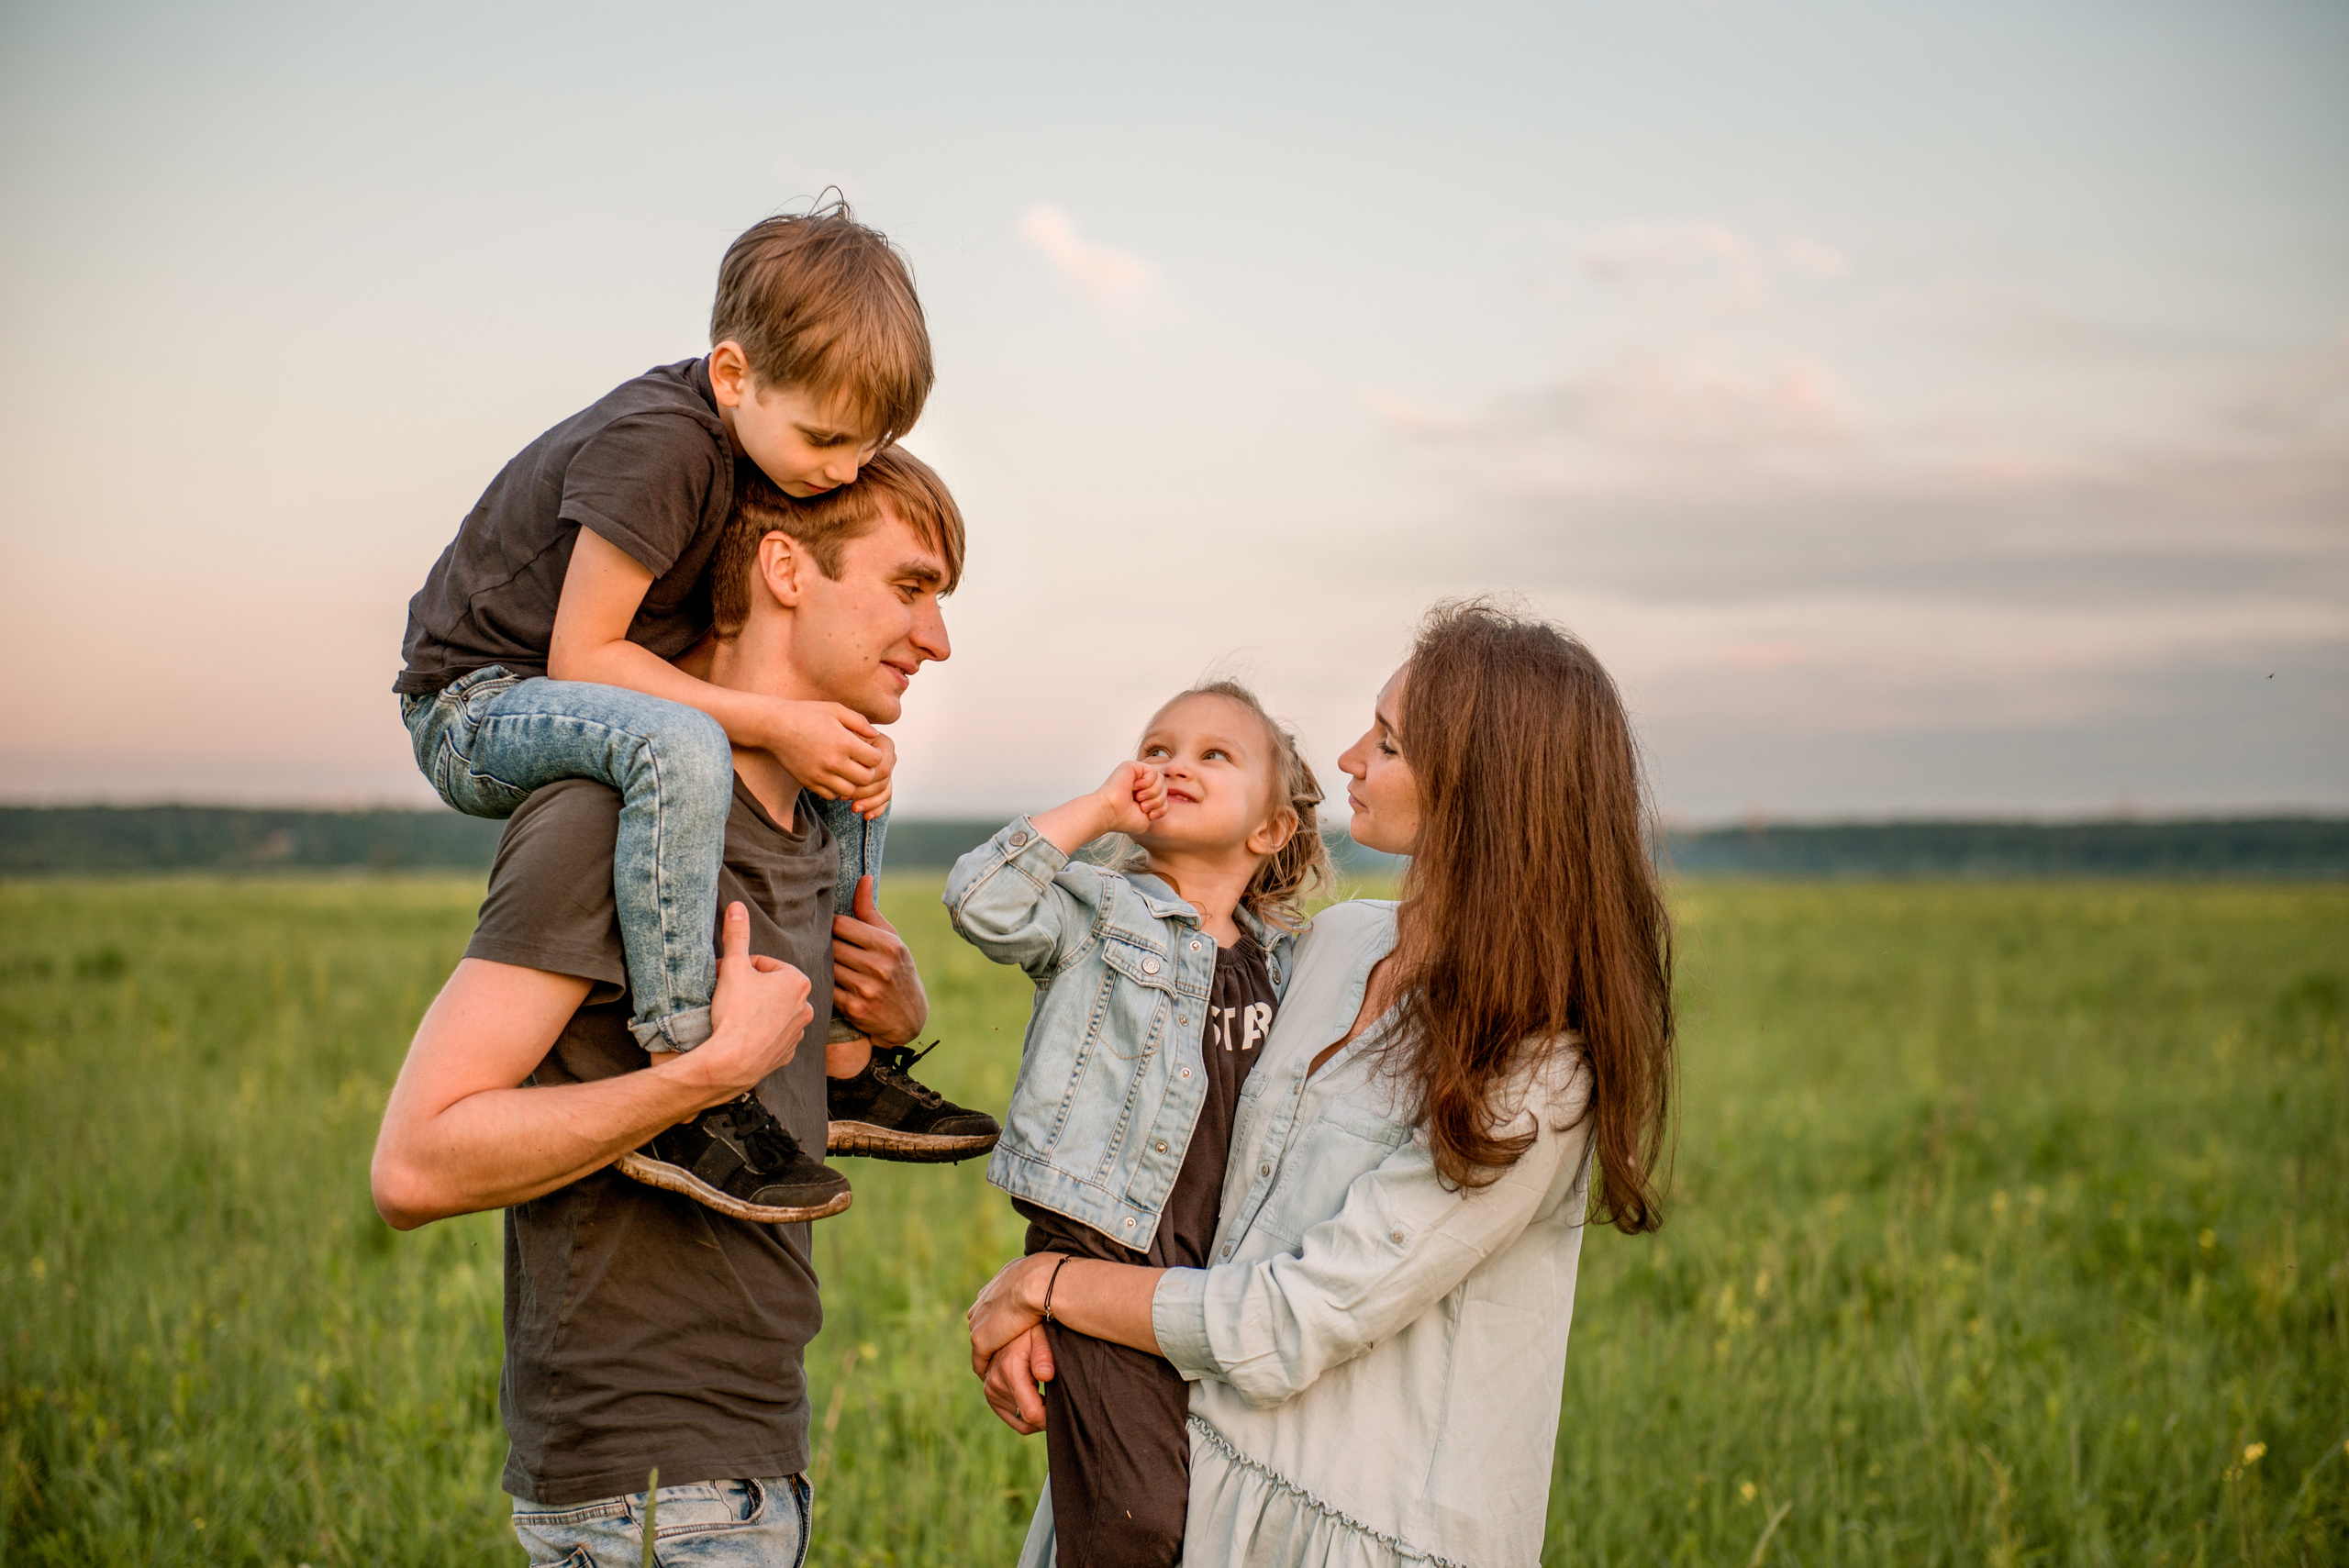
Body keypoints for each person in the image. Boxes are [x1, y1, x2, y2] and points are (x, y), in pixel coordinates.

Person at [966, 601, 1678, 1568]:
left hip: (1351, 1531)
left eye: (1385, 741)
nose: (1345, 759)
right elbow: (1161, 1072)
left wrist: (1049, 1284)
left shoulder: (1538, 1069)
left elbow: (1286, 1320)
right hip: (1180, 1468)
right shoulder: (1333, 945)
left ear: (1480, 787)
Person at [370, 450, 986, 1564]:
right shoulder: (601, 819)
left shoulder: (811, 829)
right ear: (786, 568)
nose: (938, 638)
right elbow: (415, 1164)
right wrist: (697, 1075)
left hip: (758, 1464)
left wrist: (872, 1029)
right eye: (911, 586)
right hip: (643, 1499)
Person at [393, 199, 974, 1207]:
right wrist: (772, 717)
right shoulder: (662, 447)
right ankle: (693, 1066)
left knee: (849, 750)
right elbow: (582, 654)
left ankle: (846, 1066)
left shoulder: (755, 442)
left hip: (560, 686)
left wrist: (807, 728)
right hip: (477, 702)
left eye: (870, 441)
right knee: (688, 745)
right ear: (733, 374)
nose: (844, 469)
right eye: (828, 438)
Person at [943, 683, 1331, 1567]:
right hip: (1105, 1251)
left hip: (1223, 1269)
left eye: (1213, 754)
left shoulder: (1284, 958)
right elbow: (982, 900)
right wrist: (1099, 809)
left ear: (1270, 828)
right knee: (1139, 1520)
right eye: (1158, 748)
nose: (1173, 764)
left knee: (1213, 1508)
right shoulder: (1098, 910)